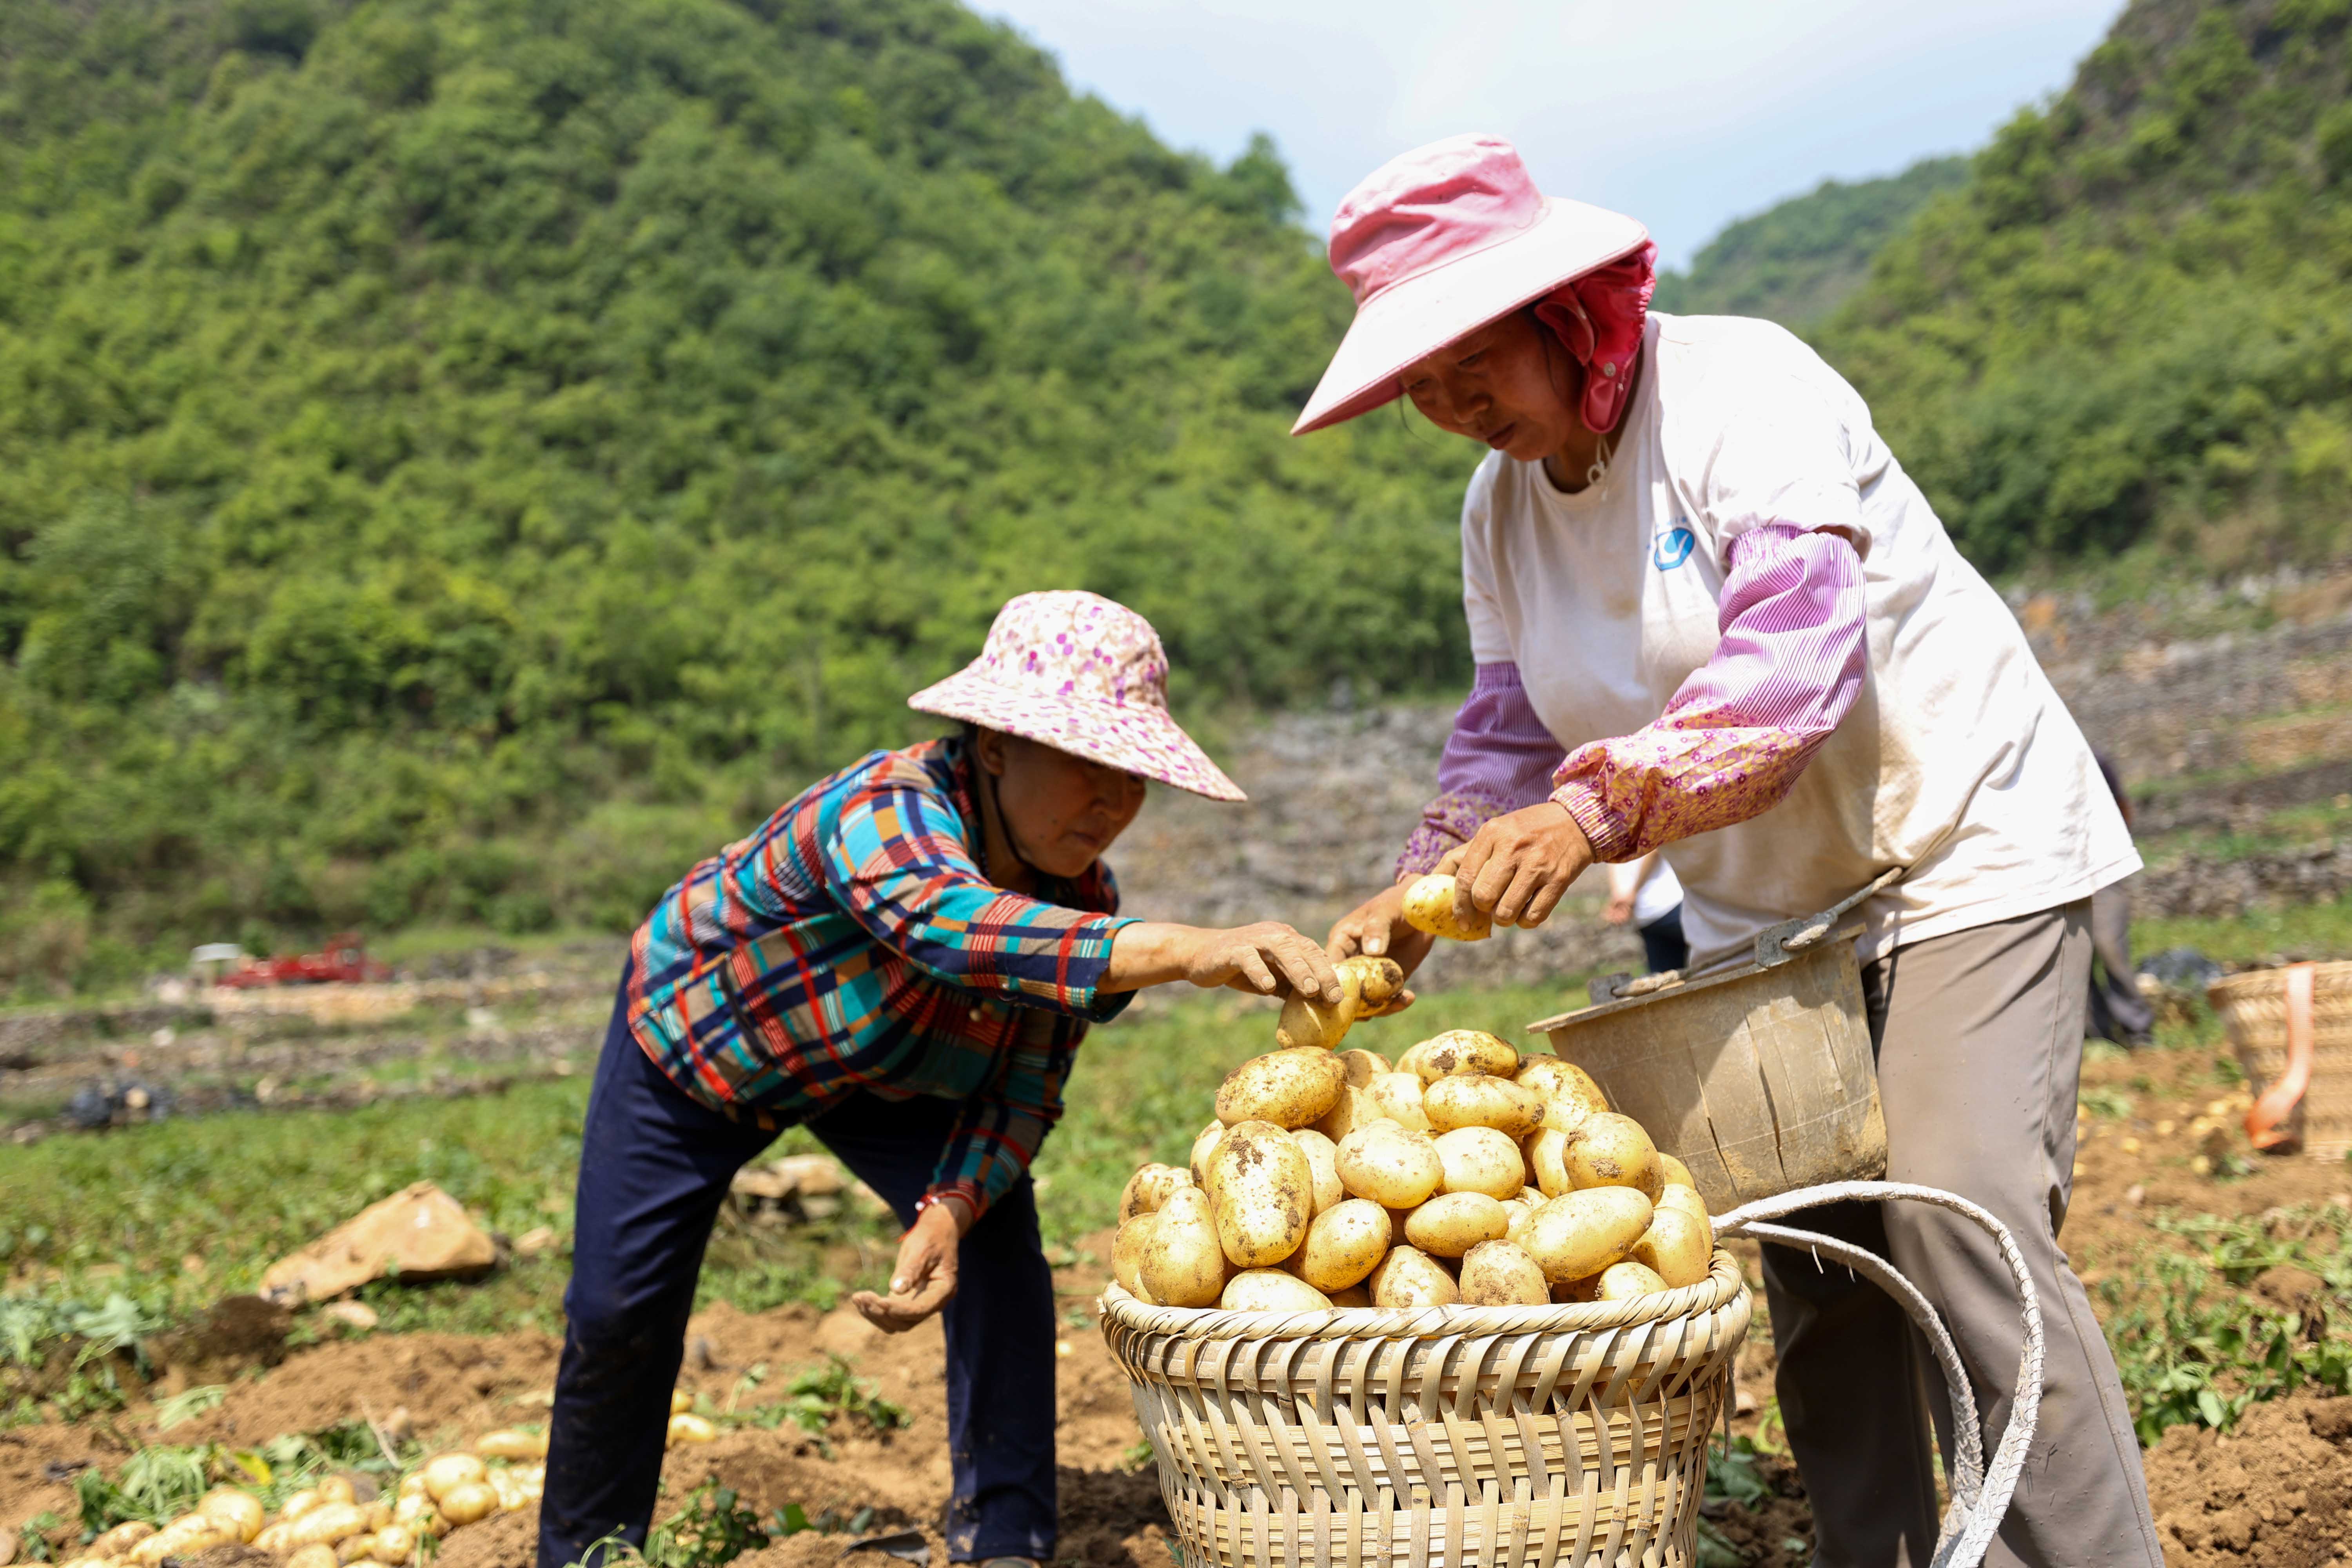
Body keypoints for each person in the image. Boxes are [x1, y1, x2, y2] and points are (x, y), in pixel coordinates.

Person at [1309, 136, 2159, 1566]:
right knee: (1820, 1265)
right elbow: (1504, 735)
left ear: (1563, 310)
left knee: (1959, 1223)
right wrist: (1421, 884)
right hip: (1760, 913)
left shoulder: (1738, 389)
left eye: (1473, 364)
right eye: (1422, 387)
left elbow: (1790, 666)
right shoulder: (1499, 512)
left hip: (1956, 847)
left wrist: (1589, 819)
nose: (1453, 407)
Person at [538, 591, 1341, 1568]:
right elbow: (949, 925)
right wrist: (1189, 949)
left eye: (1131, 776)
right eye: (1087, 765)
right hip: (706, 1048)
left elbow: (1022, 1093)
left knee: (1000, 1256)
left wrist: (953, 1205)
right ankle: (583, 1550)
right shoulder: (881, 808)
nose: (1112, 802)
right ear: (995, 747)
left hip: (889, 1071)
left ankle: (1005, 1541)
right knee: (619, 1312)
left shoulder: (1084, 896)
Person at [2087, 750, 2155, 1048]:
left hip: (2100, 869)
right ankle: (2096, 1034)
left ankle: (2137, 1031)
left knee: (2110, 947)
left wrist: (2115, 851)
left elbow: (2122, 805)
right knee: (2075, 957)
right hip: (2054, 874)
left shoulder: (2093, 761)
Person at [1602, 852, 1687, 974]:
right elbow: (1654, 849)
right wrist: (1622, 896)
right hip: (1663, 909)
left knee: (1667, 980)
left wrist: (1624, 896)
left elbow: (1612, 859)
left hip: (1653, 913)